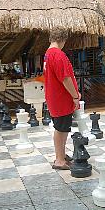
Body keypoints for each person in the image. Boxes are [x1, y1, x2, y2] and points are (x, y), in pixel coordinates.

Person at [43, 28, 80, 170]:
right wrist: (75, 96)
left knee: (62, 127)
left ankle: (61, 155)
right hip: (61, 98)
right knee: (61, 129)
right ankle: (59, 160)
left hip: (54, 97)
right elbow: (65, 78)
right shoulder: (57, 54)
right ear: (63, 39)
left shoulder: (47, 54)